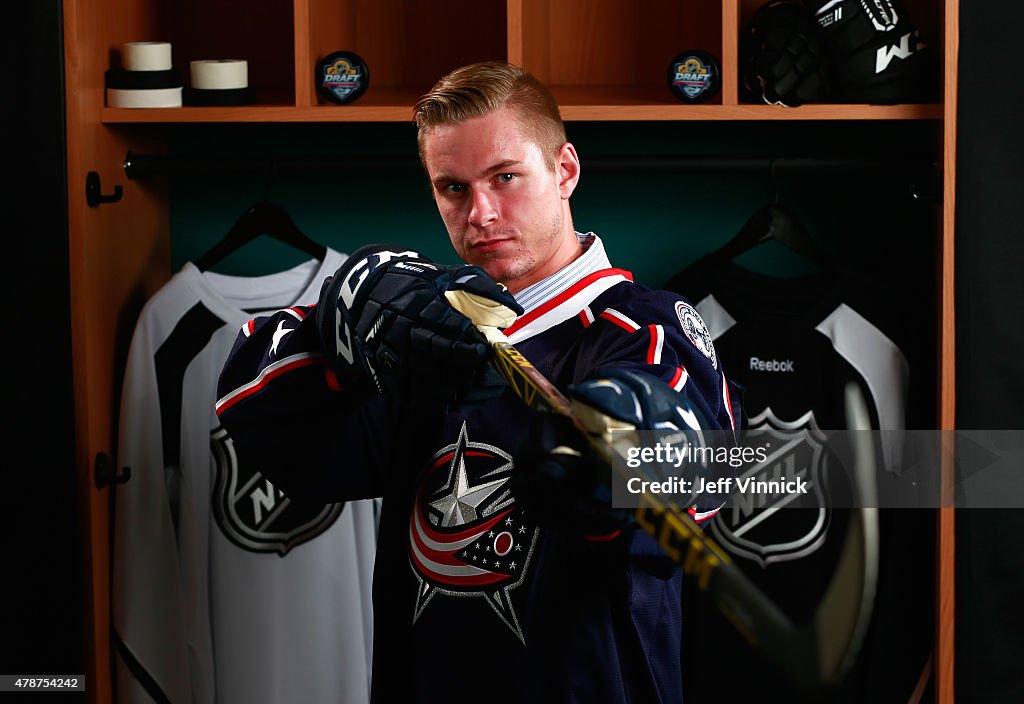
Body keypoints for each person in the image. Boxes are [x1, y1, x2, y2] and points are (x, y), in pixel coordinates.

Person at [216, 61, 742, 704]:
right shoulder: (427, 337)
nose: (481, 213)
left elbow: (707, 471)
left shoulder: (645, 326)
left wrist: (636, 441)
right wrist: (352, 305)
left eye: (505, 178)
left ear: (565, 171)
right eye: (453, 188)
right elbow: (264, 420)